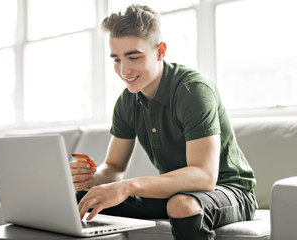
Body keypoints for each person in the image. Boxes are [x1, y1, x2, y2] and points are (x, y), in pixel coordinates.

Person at [69, 4, 257, 240]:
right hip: (176, 193)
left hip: (229, 191)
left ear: (160, 51)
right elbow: (115, 168)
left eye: (133, 57)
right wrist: (88, 179)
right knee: (80, 201)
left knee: (182, 205)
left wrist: (127, 187)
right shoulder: (127, 101)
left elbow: (204, 177)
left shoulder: (193, 90)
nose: (124, 70)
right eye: (116, 59)